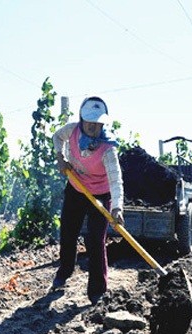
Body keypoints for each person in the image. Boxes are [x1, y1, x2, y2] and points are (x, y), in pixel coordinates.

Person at [51, 96, 124, 305]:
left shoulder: (108, 149)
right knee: (68, 232)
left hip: (100, 195)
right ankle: (64, 272)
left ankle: (97, 290)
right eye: (89, 121)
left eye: (98, 122)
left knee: (95, 241)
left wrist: (117, 208)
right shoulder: (71, 130)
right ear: (81, 119)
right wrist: (61, 157)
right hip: (76, 188)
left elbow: (116, 181)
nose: (93, 126)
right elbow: (57, 137)